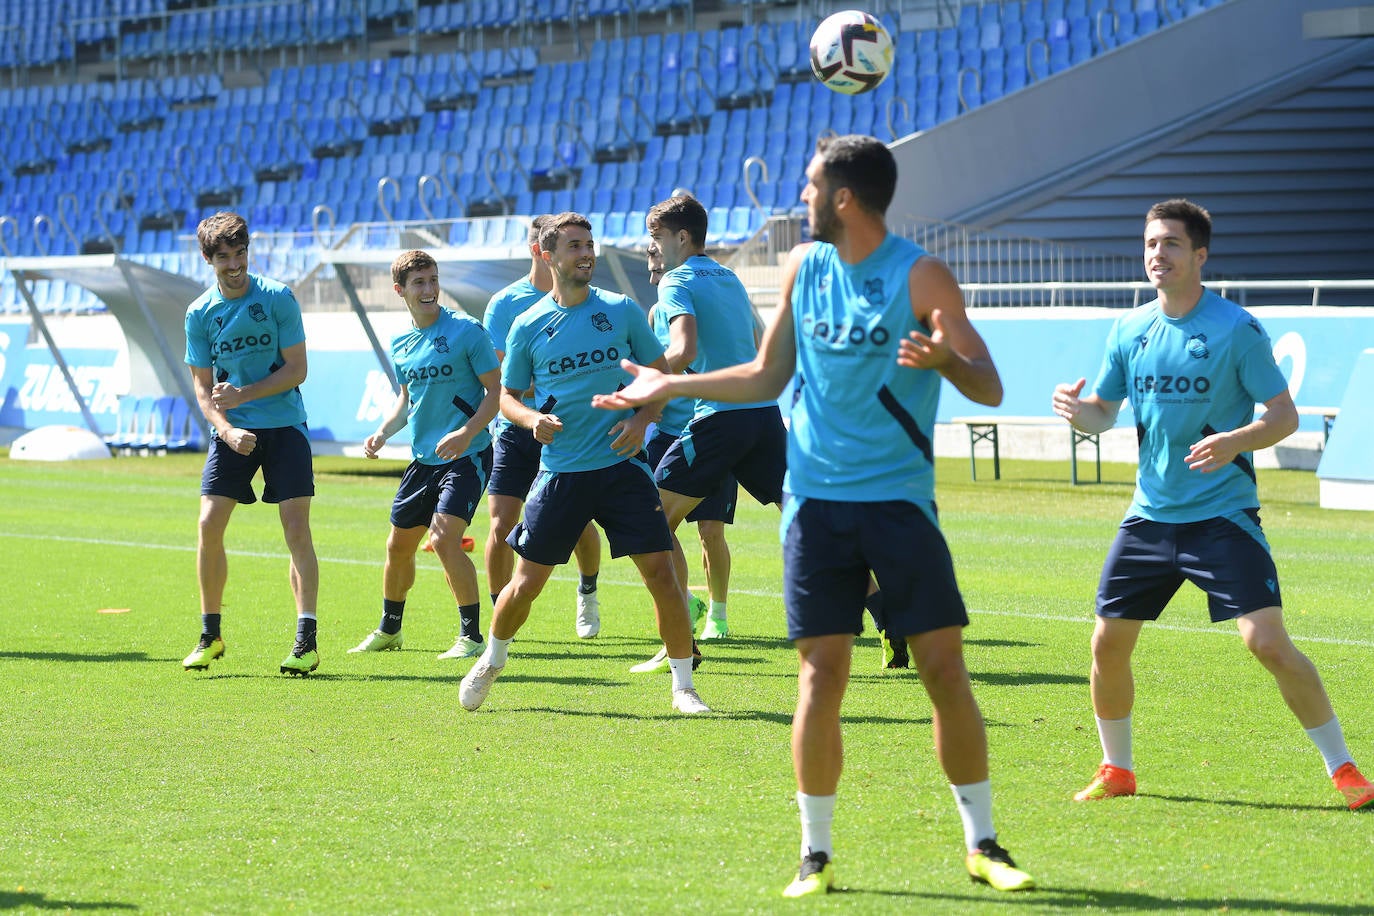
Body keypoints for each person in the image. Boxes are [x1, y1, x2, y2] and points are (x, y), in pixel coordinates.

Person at [594, 135, 1034, 895]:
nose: (799, 199)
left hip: (900, 505)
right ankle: (815, 854)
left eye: (808, 187)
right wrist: (663, 389)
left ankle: (983, 843)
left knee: (944, 671)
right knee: (820, 679)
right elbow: (768, 374)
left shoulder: (922, 274)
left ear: (843, 198)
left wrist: (945, 363)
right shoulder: (804, 268)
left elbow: (990, 386)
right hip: (816, 507)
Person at [1051, 198, 1374, 811]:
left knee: (1267, 643)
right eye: (1150, 244)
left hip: (1222, 516)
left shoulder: (1237, 328)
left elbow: (1284, 416)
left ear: (1200, 255)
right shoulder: (1129, 330)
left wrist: (1234, 442)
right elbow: (1103, 413)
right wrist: (1078, 414)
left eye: (1171, 244)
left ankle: (1346, 770)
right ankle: (1117, 768)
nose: (1157, 254)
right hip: (1149, 516)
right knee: (1106, 645)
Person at [458, 212, 710, 715]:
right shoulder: (528, 325)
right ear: (548, 256)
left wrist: (642, 421)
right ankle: (491, 658)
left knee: (661, 574)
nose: (586, 253)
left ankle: (683, 685)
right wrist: (530, 420)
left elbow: (659, 376)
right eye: (575, 246)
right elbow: (507, 397)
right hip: (561, 474)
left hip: (622, 469)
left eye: (589, 244)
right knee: (526, 584)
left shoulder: (621, 310)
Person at [631, 194, 787, 671]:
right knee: (808, 517)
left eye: (657, 240)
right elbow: (760, 346)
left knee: (652, 522)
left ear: (681, 237)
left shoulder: (677, 280)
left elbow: (681, 347)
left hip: (720, 418)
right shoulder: (731, 278)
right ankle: (891, 616)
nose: (655, 250)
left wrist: (641, 388)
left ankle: (682, 640)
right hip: (762, 413)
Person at [181, 211, 321, 676]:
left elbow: (296, 370)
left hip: (284, 426)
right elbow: (203, 388)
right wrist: (226, 427)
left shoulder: (278, 297)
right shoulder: (199, 313)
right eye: (224, 257)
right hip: (232, 433)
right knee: (207, 524)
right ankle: (210, 635)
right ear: (208, 259)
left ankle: (306, 642)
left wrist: (245, 395)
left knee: (296, 529)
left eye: (240, 254)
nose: (235, 264)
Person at [348, 250, 501, 660]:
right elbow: (405, 399)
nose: (429, 289)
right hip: (423, 461)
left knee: (445, 538)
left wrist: (467, 432)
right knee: (398, 547)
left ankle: (471, 637)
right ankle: (390, 629)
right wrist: (382, 431)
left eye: (433, 280)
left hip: (468, 456)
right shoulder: (400, 343)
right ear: (400, 290)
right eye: (419, 283)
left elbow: (496, 393)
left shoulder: (468, 331)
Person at [483, 215, 604, 638]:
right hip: (517, 427)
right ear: (540, 251)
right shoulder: (506, 304)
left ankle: (587, 591)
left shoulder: (591, 303)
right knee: (500, 525)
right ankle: (499, 615)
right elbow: (501, 376)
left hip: (566, 429)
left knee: (580, 525)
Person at [640, 246, 739, 652]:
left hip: (707, 429)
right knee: (655, 530)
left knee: (710, 532)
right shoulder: (651, 314)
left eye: (657, 253)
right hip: (664, 433)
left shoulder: (702, 301)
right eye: (648, 256)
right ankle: (685, 604)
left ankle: (717, 612)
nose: (653, 263)